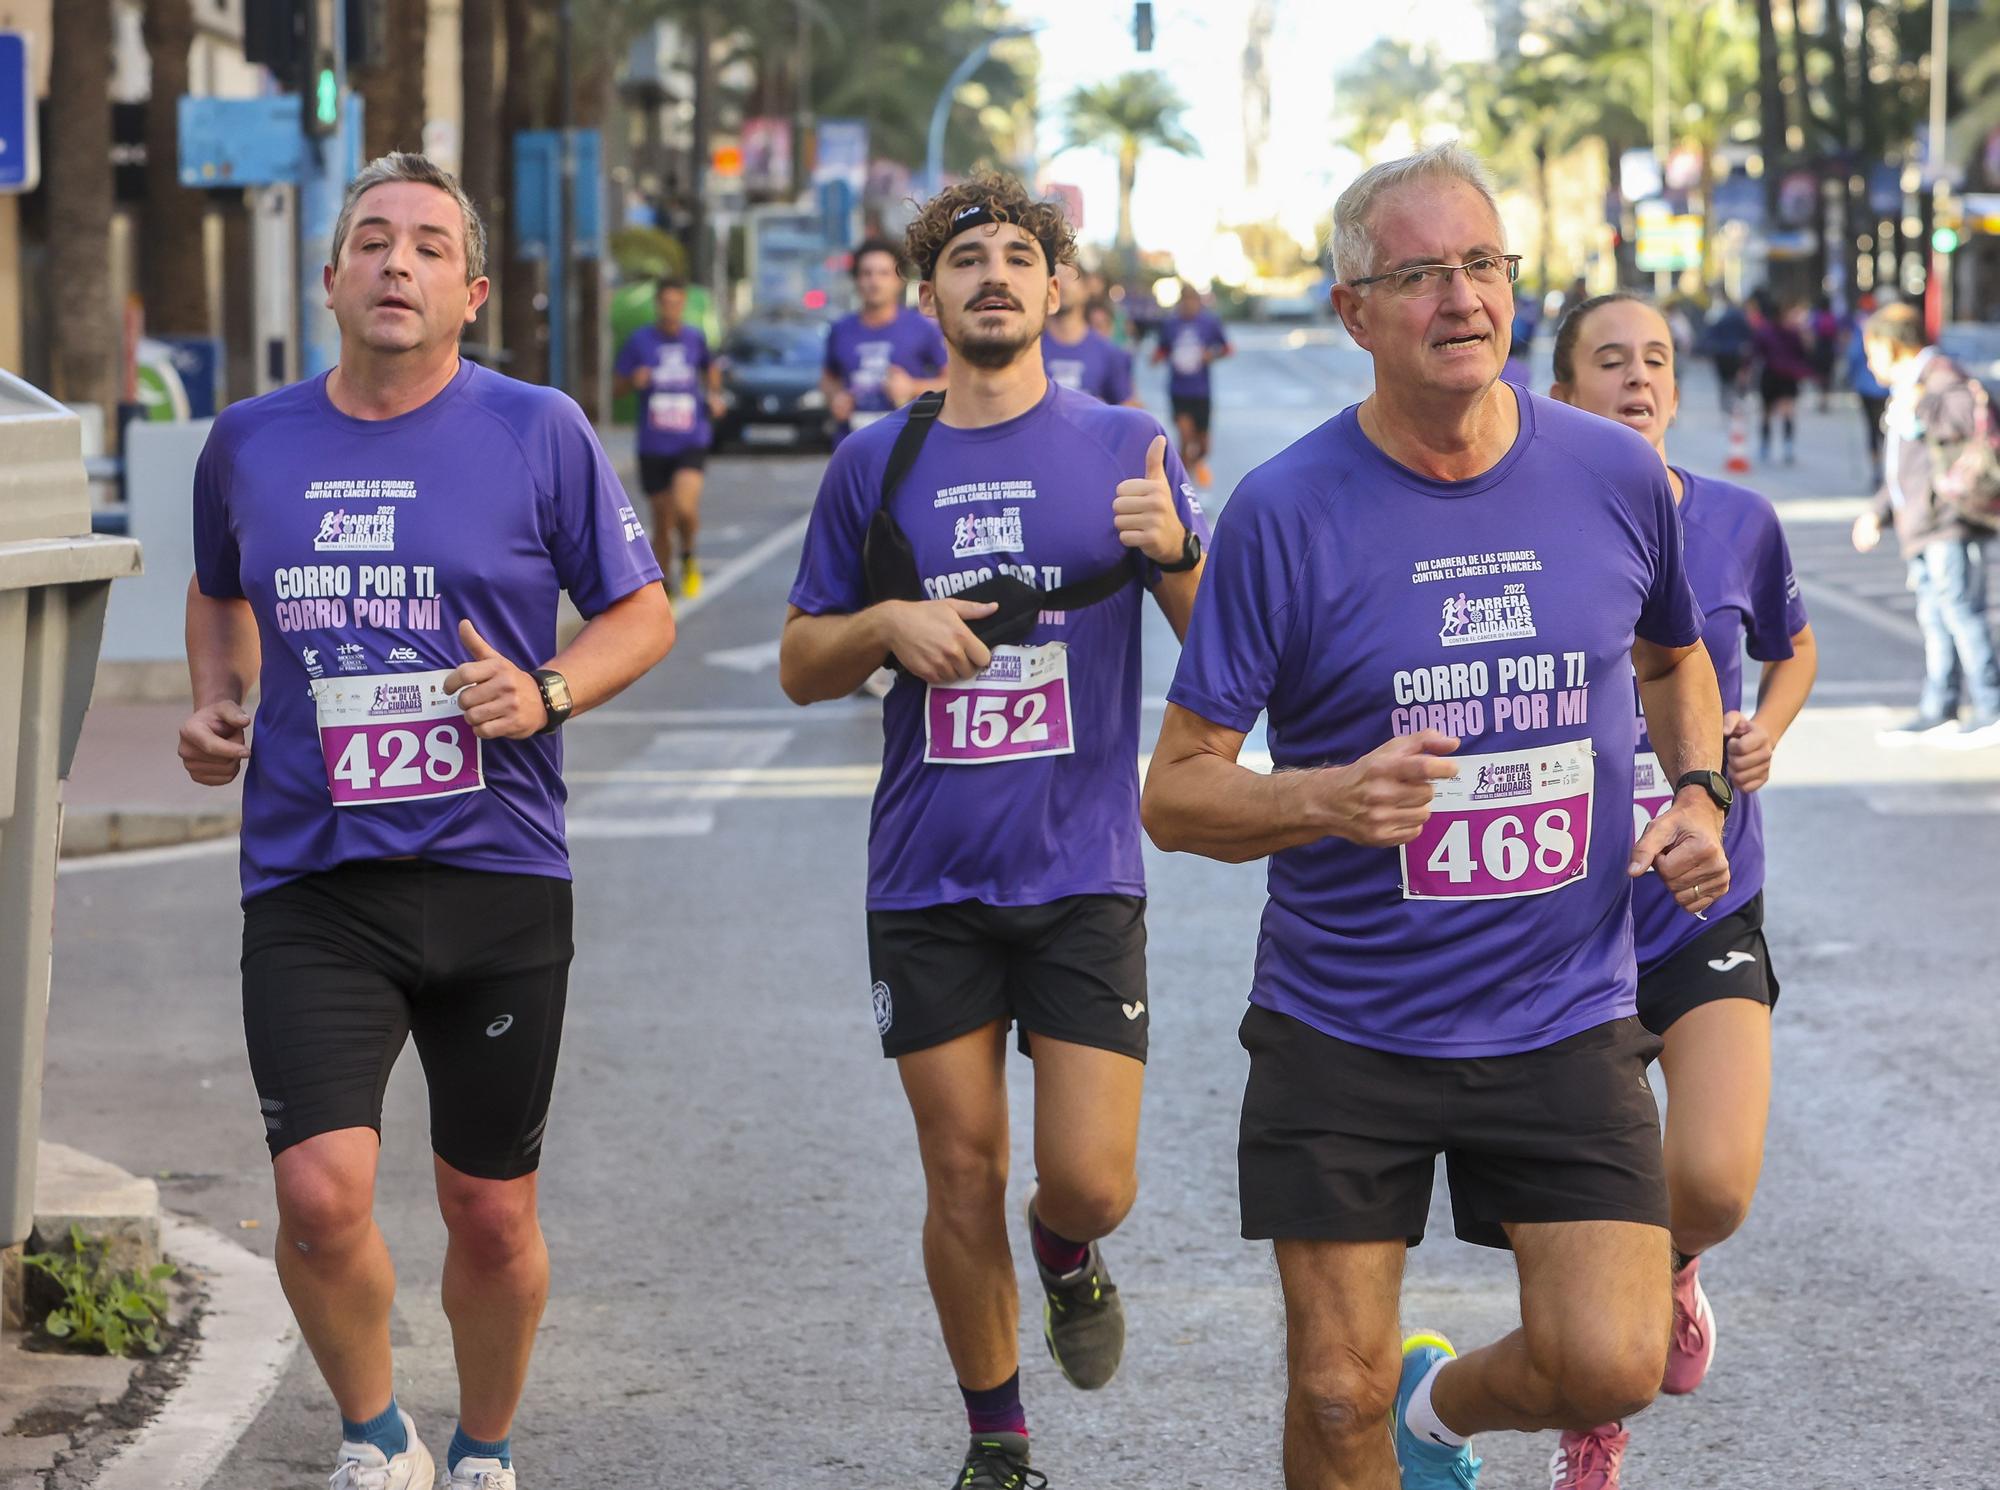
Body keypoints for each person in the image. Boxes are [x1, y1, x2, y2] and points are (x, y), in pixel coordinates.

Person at [1140, 142, 1730, 1490]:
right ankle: (1379, 1413)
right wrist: (1324, 798)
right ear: (1355, 312)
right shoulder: (1284, 512)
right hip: (1344, 1021)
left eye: (1483, 266)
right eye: (1421, 274)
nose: (1462, 299)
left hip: (1563, 1008)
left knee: (1611, 1360)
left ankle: (1439, 1404)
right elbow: (1174, 790)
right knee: (1331, 1391)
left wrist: (1695, 787)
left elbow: (1672, 658)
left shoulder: (1612, 476)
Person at [177, 152, 675, 1490]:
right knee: (318, 1194)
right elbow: (218, 585)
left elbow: (644, 609)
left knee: (491, 1212)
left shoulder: (537, 429)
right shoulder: (250, 442)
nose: (398, 263)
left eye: (428, 246)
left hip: (495, 867)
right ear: (332, 276)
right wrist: (220, 700)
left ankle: (485, 1446)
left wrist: (550, 685)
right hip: (311, 875)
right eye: (373, 241)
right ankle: (373, 1430)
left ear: (471, 290)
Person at [779, 172, 1209, 1490]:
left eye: (1020, 257)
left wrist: (1179, 547)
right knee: (959, 1167)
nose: (995, 277)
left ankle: (1069, 1252)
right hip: (927, 874)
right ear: (928, 296)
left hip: (1083, 868)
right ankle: (999, 1438)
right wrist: (881, 626)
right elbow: (801, 659)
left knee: (1087, 1180)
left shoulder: (1127, 442)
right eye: (967, 259)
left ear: (1057, 290)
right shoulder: (879, 460)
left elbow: (1222, 654)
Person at [1550, 291, 1816, 1483]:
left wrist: (1759, 726)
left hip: (1706, 897)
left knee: (1706, 1178)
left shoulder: (1737, 520)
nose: (1637, 378)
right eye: (1607, 361)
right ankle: (1591, 1413)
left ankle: (1665, 1268)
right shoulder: (1523, 528)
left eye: (1654, 359)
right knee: (1567, 1247)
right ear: (1557, 394)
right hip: (1558, 925)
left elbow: (1788, 644)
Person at [1852, 301, 2000, 747]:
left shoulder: (1938, 375)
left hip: (1948, 521)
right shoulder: (1913, 384)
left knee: (1959, 612)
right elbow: (1906, 468)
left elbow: (1959, 417)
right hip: (1924, 523)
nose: (1870, 362)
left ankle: (1991, 708)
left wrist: (1924, 403)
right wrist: (1878, 511)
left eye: (1872, 350)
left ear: (1891, 344)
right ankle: (1941, 706)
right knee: (1937, 617)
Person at [614, 277, 725, 597]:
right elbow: (617, 387)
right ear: (658, 305)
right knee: (661, 522)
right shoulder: (640, 342)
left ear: (684, 305)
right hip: (654, 443)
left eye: (677, 303)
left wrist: (714, 395)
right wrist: (635, 380)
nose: (671, 309)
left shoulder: (694, 339)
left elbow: (710, 367)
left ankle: (688, 555)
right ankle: (664, 589)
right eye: (666, 302)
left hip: (691, 438)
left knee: (684, 507)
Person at [822, 236, 949, 441]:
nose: (874, 282)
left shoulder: (923, 329)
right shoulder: (840, 330)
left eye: (883, 273)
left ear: (899, 280)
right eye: (866, 273)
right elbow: (828, 378)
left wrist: (912, 388)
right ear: (856, 279)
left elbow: (952, 382)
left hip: (907, 443)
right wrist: (835, 398)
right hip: (852, 443)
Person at [1152, 283, 1232, 486]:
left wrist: (1211, 355)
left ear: (1198, 303)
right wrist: (1157, 357)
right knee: (1186, 439)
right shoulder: (1171, 324)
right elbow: (1162, 349)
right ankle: (1179, 485)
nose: (1188, 305)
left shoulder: (1208, 323)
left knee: (1204, 447)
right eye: (1184, 301)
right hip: (1179, 390)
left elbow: (1227, 348)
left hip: (1201, 391)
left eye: (1192, 301)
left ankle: (1188, 470)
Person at [1041, 263, 1138, 406]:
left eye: (1070, 276)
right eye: (1054, 276)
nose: (1061, 283)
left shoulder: (1109, 353)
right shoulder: (1026, 351)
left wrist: (1102, 414)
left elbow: (1131, 409)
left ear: (1086, 290)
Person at [1748, 294, 1811, 463]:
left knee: (1776, 412)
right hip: (1781, 376)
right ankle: (1779, 446)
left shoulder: (1766, 331)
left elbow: (1755, 353)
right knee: (1777, 412)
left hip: (1776, 375)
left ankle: (1775, 447)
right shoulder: (1792, 332)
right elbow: (1804, 353)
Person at [1846, 293, 1890, 488]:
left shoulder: (1863, 326)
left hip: (1867, 386)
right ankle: (1888, 469)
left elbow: (1854, 355)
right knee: (1889, 430)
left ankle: (1878, 470)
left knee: (1873, 430)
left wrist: (1852, 378)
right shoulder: (1887, 326)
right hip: (1887, 387)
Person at [1702, 293, 1753, 413]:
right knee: (1733, 378)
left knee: (1723, 379)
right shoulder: (1739, 316)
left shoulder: (1717, 315)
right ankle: (1733, 401)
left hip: (1720, 352)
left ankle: (1725, 402)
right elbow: (1747, 332)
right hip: (1735, 351)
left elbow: (1710, 333)